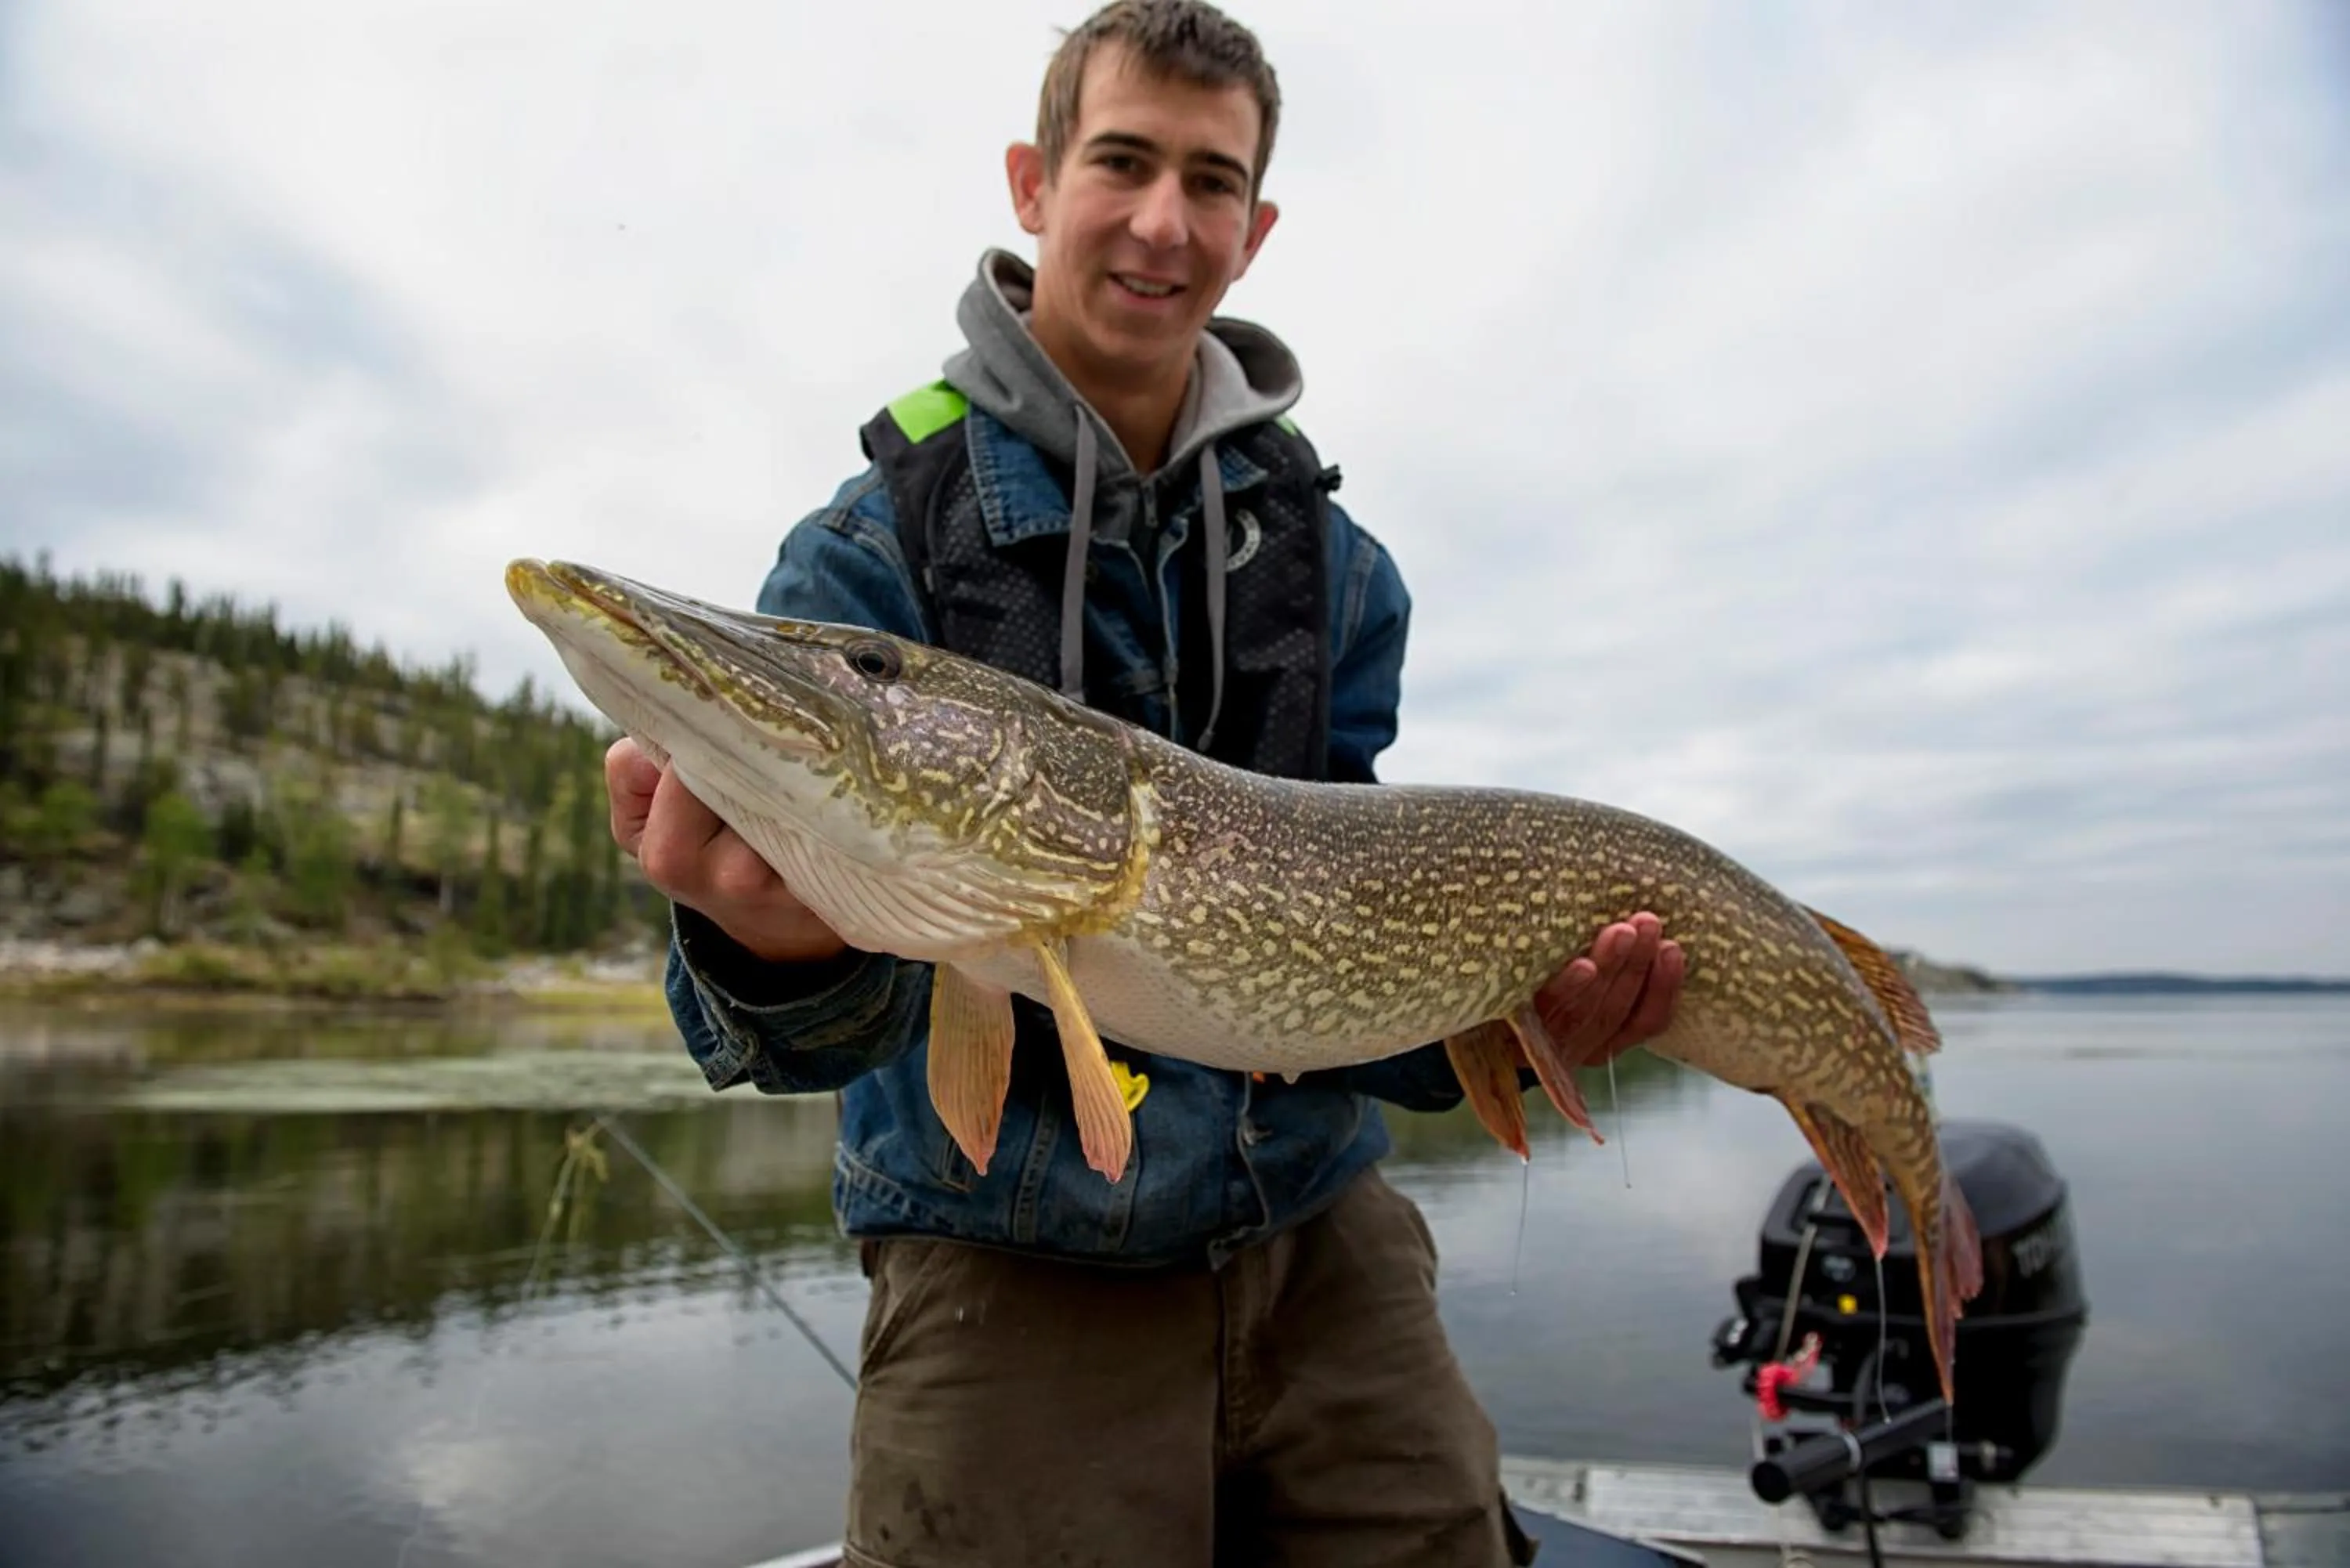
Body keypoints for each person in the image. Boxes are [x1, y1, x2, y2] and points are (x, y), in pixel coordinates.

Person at [604, 3, 1685, 1563]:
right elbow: (804, 1035)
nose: (1166, 221)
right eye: (1123, 161)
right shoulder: (865, 556)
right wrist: (777, 947)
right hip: (1007, 1254)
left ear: (1257, 229)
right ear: (1033, 182)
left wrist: (1516, 1016)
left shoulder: (1334, 564)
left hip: (1323, 1236)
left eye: (1213, 179)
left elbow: (1355, 995)